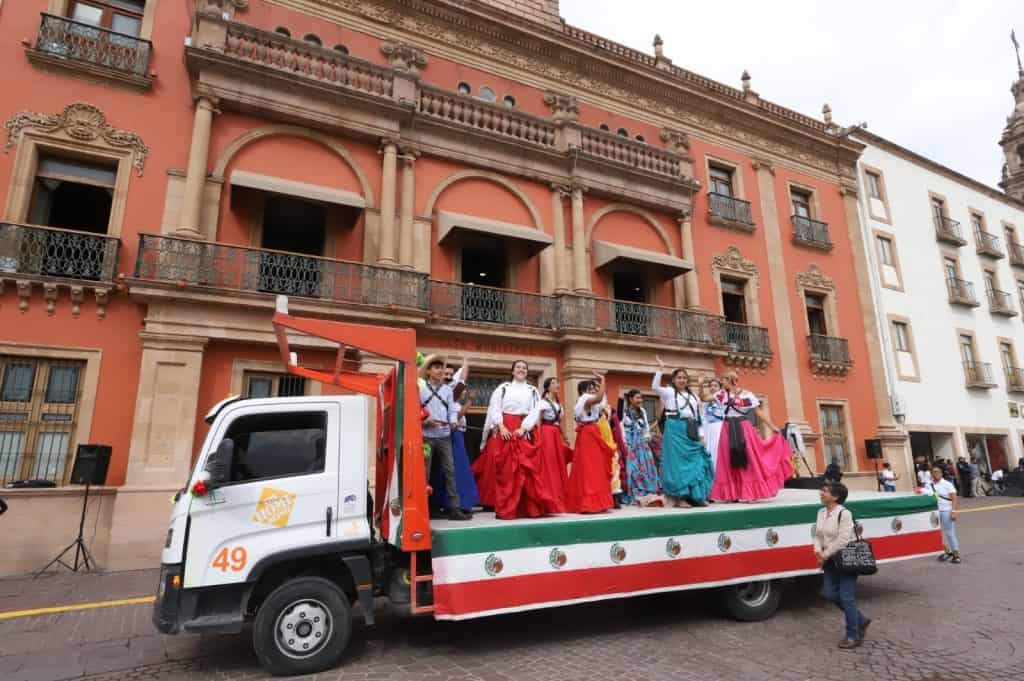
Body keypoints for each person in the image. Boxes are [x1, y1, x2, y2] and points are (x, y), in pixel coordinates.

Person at [476, 360, 556, 520]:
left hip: (523, 430)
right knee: (506, 470)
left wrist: (524, 428)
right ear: (512, 371)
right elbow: (494, 408)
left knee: (527, 469)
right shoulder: (503, 388)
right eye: (518, 367)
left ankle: (528, 509)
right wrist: (501, 426)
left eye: (524, 368)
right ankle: (505, 508)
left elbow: (535, 411)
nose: (521, 370)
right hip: (506, 429)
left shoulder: (532, 390)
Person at [709, 371, 792, 503]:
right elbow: (705, 398)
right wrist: (701, 385)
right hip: (726, 427)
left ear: (730, 380)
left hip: (743, 427)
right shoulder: (721, 394)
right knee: (728, 458)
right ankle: (732, 493)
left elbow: (758, 412)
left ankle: (749, 492)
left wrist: (772, 427)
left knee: (748, 458)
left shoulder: (747, 395)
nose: (721, 383)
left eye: (723, 380)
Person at [814, 481, 871, 649]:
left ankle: (853, 635)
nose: (821, 493)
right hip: (830, 561)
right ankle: (860, 620)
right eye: (822, 490)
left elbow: (843, 539)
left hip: (846, 560)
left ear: (836, 496)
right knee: (830, 593)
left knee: (847, 597)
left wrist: (825, 553)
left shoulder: (844, 513)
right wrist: (817, 550)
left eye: (825, 491)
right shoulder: (821, 512)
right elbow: (817, 534)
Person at [652, 357, 713, 507]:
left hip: (690, 429)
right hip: (674, 428)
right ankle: (680, 498)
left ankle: (696, 496)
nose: (682, 380)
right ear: (673, 379)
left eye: (684, 378)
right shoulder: (668, 392)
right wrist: (660, 368)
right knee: (677, 465)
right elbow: (654, 387)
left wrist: (702, 435)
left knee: (697, 461)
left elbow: (697, 417)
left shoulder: (693, 397)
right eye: (679, 377)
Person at [419, 355, 472, 521]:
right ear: (428, 371)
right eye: (436, 367)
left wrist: (453, 422)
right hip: (425, 436)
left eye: (441, 368)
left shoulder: (448, 390)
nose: (440, 370)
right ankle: (424, 509)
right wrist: (427, 421)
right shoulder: (420, 389)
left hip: (444, 436)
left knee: (450, 471)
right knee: (425, 473)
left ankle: (454, 509)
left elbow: (452, 410)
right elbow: (415, 409)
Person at [566, 374, 615, 513]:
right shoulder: (584, 400)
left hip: (591, 432)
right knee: (590, 468)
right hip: (589, 434)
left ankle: (597, 502)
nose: (593, 390)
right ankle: (590, 503)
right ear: (583, 391)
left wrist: (599, 386)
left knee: (595, 467)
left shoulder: (589, 402)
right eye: (590, 388)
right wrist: (603, 380)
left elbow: (601, 399)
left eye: (594, 388)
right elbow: (599, 398)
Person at [431, 389, 479, 514]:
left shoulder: (456, 403)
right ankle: (451, 503)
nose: (464, 392)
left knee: (460, 469)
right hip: (452, 436)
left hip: (459, 436)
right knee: (455, 469)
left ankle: (462, 503)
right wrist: (470, 402)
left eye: (464, 390)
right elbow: (456, 417)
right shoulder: (451, 403)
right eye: (461, 390)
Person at [536, 377, 571, 513]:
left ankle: (560, 496)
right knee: (548, 464)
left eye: (557, 382)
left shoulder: (559, 404)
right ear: (547, 387)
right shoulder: (542, 403)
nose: (557, 385)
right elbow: (538, 420)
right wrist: (538, 437)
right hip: (545, 433)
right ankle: (548, 496)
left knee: (559, 463)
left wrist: (565, 436)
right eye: (553, 383)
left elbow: (558, 423)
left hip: (555, 434)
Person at [620, 389, 660, 505]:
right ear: (630, 399)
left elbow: (646, 426)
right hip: (631, 444)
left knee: (646, 468)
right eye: (637, 398)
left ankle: (647, 490)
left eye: (641, 398)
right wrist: (625, 444)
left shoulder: (642, 411)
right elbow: (622, 428)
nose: (640, 400)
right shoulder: (624, 412)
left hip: (642, 444)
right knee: (633, 468)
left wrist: (647, 436)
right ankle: (636, 492)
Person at [922, 465, 961, 564]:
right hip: (934, 512)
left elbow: (954, 498)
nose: (936, 474)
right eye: (934, 472)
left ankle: (956, 554)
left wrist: (954, 512)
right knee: (935, 533)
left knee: (949, 533)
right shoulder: (928, 485)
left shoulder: (947, 484)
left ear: (941, 473)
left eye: (938, 472)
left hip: (946, 511)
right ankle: (947, 552)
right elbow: (926, 497)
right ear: (931, 474)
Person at [700, 377, 725, 477]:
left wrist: (701, 386)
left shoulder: (722, 396)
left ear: (720, 387)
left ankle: (719, 475)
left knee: (717, 451)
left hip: (718, 427)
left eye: (715, 385)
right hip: (707, 428)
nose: (712, 388)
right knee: (708, 451)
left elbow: (702, 397)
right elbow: (703, 416)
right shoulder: (707, 401)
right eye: (710, 386)